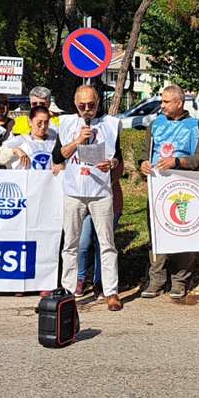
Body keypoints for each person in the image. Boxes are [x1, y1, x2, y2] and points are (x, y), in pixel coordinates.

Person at [56, 86, 124, 310]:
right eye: (82, 106)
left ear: (98, 103)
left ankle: (111, 291)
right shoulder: (66, 124)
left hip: (100, 192)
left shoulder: (111, 125)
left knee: (106, 243)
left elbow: (118, 160)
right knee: (71, 244)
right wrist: (77, 141)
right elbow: (57, 156)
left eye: (91, 105)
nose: (87, 110)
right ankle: (68, 291)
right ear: (76, 105)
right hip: (74, 192)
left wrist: (111, 164)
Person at [139, 84, 199, 300]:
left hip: (184, 187)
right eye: (162, 101)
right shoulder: (155, 125)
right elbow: (144, 154)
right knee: (157, 233)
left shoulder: (195, 126)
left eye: (166, 102)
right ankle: (156, 279)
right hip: (158, 188)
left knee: (184, 233)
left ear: (179, 103)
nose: (162, 105)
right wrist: (143, 163)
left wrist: (177, 161)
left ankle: (180, 280)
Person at [0, 104, 60, 170]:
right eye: (39, 123)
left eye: (46, 122)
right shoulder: (20, 140)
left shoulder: (54, 142)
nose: (43, 126)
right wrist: (15, 151)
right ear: (30, 122)